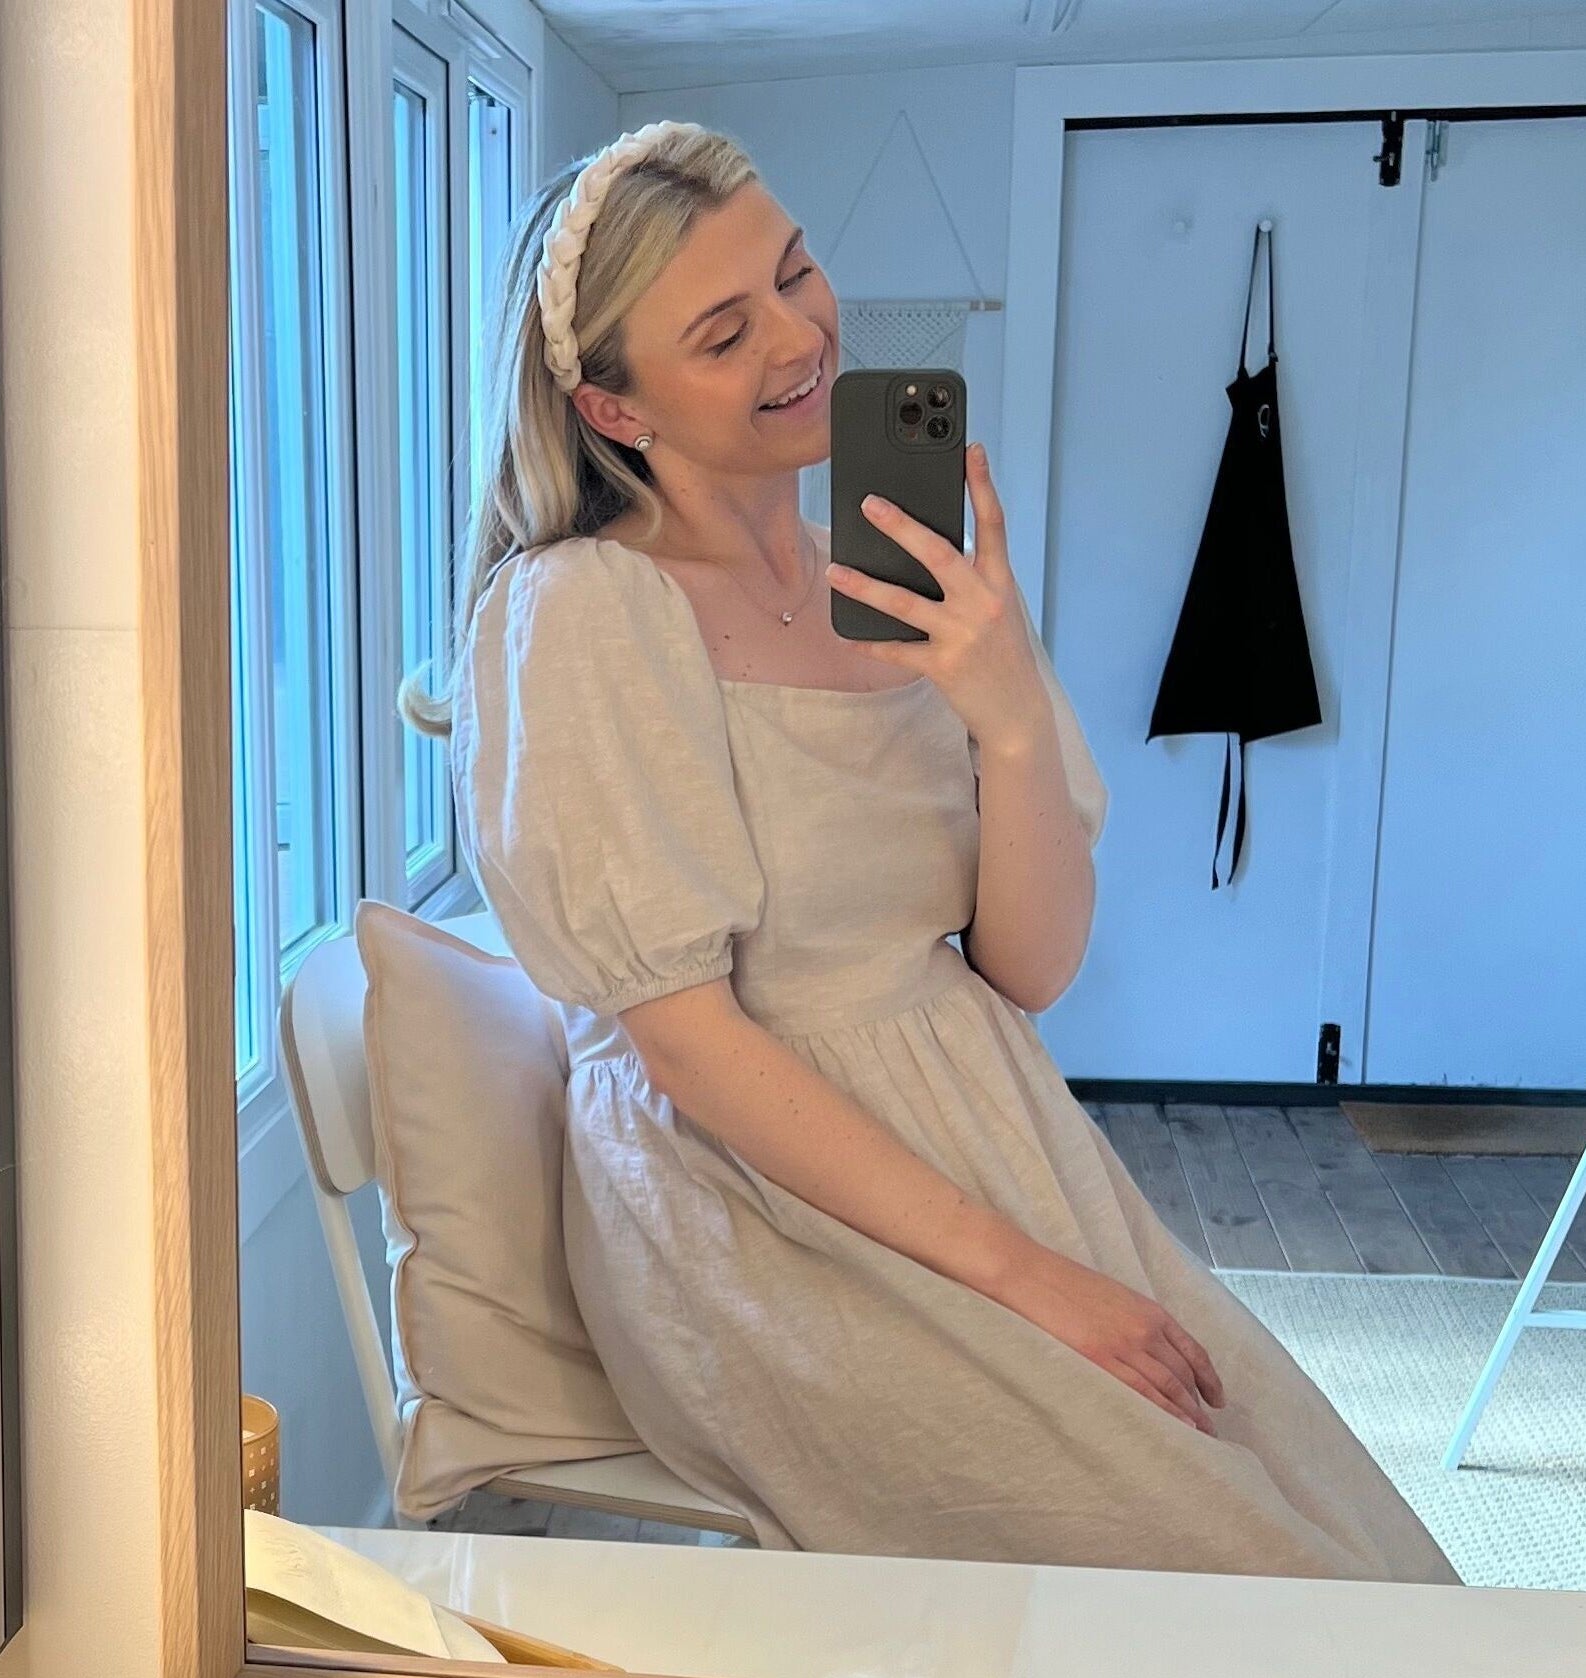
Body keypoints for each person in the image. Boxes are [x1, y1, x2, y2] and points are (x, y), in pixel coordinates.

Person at [401, 119, 1456, 1582]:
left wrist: (1008, 717)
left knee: (1311, 1511)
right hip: (754, 1204)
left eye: (794, 272)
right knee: (1212, 1552)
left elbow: (1028, 968)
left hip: (986, 1125)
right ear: (613, 409)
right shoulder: (583, 609)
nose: (799, 338)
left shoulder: (895, 573)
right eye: (723, 332)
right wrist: (1031, 1283)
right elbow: (689, 1047)